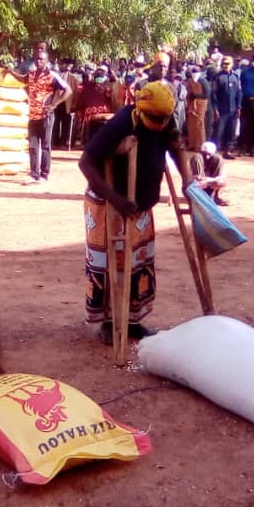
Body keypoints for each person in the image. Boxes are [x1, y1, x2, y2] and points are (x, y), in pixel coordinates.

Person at [78, 82, 185, 344]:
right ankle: (108, 322)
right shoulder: (122, 123)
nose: (160, 122)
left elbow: (175, 147)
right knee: (110, 265)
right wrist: (114, 197)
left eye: (164, 118)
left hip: (140, 207)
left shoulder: (166, 117)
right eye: (155, 118)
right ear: (141, 110)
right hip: (109, 204)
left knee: (138, 264)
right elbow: (86, 162)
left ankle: (132, 320)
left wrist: (188, 182)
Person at [5, 51, 72, 184]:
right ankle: (34, 174)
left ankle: (44, 174)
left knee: (46, 146)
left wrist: (54, 104)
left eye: (41, 59)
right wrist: (11, 72)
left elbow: (68, 90)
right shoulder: (31, 74)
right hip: (32, 116)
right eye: (36, 59)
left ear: (47, 61)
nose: (38, 61)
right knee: (33, 146)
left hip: (46, 116)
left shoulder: (52, 75)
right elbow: (22, 79)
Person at [211, 56, 242, 158]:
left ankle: (227, 151)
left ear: (232, 64)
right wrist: (215, 109)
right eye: (224, 63)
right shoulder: (217, 77)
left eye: (228, 63)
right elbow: (214, 94)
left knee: (231, 131)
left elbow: (238, 93)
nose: (225, 65)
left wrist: (238, 107)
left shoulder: (235, 77)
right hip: (221, 110)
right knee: (218, 132)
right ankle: (213, 153)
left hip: (233, 110)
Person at [191, 141, 228, 206]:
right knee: (199, 182)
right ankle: (202, 196)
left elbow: (221, 177)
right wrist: (206, 180)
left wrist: (208, 180)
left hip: (209, 181)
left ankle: (215, 196)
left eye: (209, 154)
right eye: (205, 154)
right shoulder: (197, 158)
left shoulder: (218, 158)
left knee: (220, 182)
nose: (207, 157)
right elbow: (197, 178)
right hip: (200, 184)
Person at [185, 65, 211, 152]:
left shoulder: (203, 81)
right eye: (193, 72)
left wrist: (196, 96)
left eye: (196, 72)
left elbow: (207, 94)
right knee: (191, 124)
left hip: (201, 104)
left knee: (199, 123)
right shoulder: (190, 81)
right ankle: (192, 144)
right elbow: (188, 92)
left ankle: (200, 145)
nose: (195, 74)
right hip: (192, 104)